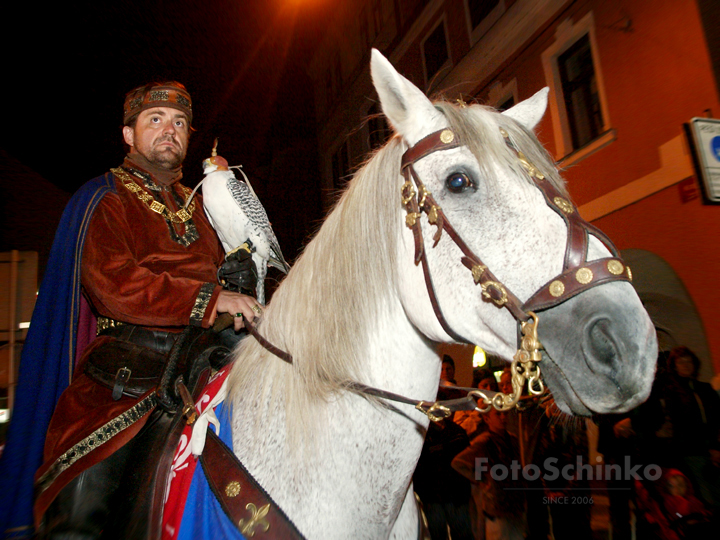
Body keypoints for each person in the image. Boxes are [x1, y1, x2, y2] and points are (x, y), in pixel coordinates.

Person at [0, 81, 262, 539]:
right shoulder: (104, 197)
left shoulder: (200, 206)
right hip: (126, 372)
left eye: (179, 122)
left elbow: (226, 278)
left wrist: (237, 282)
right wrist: (210, 299)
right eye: (155, 120)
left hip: (206, 355)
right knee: (82, 510)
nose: (170, 130)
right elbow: (114, 284)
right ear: (128, 134)